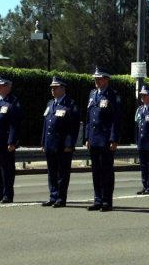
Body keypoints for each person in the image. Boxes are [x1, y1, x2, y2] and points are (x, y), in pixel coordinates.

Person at [84, 67, 122, 212]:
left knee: (106, 171)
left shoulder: (113, 96)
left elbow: (116, 120)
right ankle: (97, 199)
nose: (96, 81)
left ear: (106, 79)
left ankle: (107, 201)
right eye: (95, 78)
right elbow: (88, 118)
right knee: (96, 171)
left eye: (99, 78)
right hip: (94, 139)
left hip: (106, 140)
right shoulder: (93, 94)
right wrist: (87, 137)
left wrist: (114, 139)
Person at [41, 76, 80, 208]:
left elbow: (73, 127)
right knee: (51, 172)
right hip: (50, 144)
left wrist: (69, 144)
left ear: (63, 88)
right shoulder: (50, 103)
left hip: (63, 145)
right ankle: (53, 196)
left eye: (55, 87)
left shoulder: (70, 104)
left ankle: (61, 198)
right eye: (52, 88)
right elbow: (46, 125)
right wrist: (43, 143)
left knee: (62, 174)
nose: (53, 90)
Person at [0, 74, 22, 203]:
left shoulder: (13, 102)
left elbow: (15, 124)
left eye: (1, 85)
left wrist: (12, 141)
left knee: (6, 170)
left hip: (5, 143)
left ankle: (8, 195)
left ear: (8, 86)